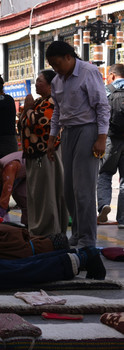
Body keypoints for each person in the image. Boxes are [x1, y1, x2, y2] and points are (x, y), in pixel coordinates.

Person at [46, 41, 110, 248]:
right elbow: (57, 111)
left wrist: (101, 138)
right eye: (52, 66)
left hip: (88, 130)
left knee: (83, 189)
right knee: (69, 190)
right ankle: (78, 232)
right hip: (68, 133)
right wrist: (51, 137)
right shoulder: (57, 81)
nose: (56, 69)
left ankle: (88, 238)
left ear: (68, 57)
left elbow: (102, 106)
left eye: (57, 64)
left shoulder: (89, 72)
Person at [19, 70, 68, 237]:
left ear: (50, 84)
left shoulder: (52, 101)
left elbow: (39, 124)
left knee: (47, 193)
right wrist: (28, 110)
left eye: (40, 81)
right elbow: (23, 123)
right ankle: (37, 228)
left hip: (46, 153)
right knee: (37, 194)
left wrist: (27, 109)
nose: (36, 84)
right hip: (34, 154)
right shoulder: (40, 101)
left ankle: (48, 230)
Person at [97, 63, 124, 227]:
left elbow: (98, 114)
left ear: (112, 75)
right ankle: (122, 219)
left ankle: (104, 205)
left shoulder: (106, 90)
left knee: (105, 174)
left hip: (110, 140)